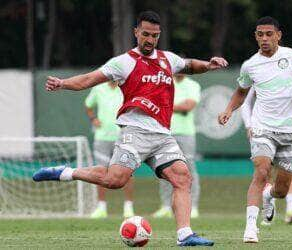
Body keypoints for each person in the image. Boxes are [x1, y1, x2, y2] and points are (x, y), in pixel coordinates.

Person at [33, 10, 228, 247]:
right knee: (115, 181)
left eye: (154, 36)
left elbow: (189, 65)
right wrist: (63, 83)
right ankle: (65, 172)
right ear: (136, 32)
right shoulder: (123, 63)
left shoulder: (168, 59)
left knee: (182, 178)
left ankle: (185, 234)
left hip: (163, 136)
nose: (149, 40)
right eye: (145, 34)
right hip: (134, 133)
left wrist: (208, 64)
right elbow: (88, 80)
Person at [218, 16, 292, 243]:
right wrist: (228, 109)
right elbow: (241, 92)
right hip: (263, 128)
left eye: (268, 34)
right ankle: (250, 228)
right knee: (262, 170)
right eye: (259, 34)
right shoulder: (250, 65)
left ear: (278, 35)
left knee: (282, 190)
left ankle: (269, 195)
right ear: (255, 36)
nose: (264, 38)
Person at [241, 86, 292, 225]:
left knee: (289, 172)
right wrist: (249, 125)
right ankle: (268, 209)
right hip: (264, 130)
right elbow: (245, 102)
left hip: (288, 131)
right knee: (265, 170)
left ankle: (281, 204)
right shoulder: (258, 72)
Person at [152, 73, 201, 219]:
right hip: (165, 131)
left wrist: (167, 106)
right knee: (164, 168)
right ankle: (166, 206)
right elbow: (155, 104)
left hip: (186, 133)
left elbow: (189, 105)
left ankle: (194, 207)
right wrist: (176, 106)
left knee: (189, 168)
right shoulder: (164, 83)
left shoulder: (193, 85)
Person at [85, 80, 135, 219]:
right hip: (102, 138)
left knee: (128, 172)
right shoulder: (98, 89)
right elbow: (88, 105)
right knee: (100, 171)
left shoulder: (128, 87)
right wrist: (93, 118)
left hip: (124, 137)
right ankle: (101, 207)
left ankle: (128, 207)